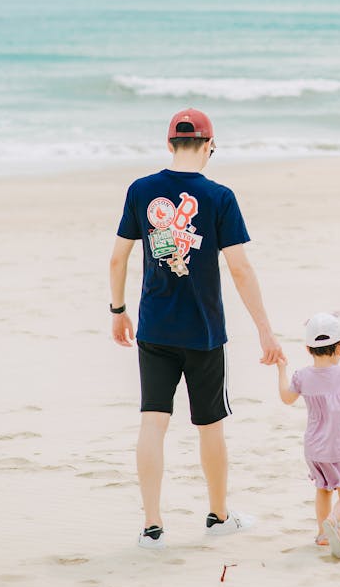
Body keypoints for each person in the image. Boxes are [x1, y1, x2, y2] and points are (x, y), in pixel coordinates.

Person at [109, 107, 283, 549]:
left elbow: (118, 257)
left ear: (169, 144)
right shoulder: (221, 197)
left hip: (154, 330)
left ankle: (152, 528)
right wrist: (265, 329)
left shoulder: (142, 190)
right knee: (210, 426)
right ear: (210, 147)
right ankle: (218, 516)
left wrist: (118, 310)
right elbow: (240, 269)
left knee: (153, 421)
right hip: (205, 333)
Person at [276, 312, 340, 559]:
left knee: (323, 488)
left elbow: (286, 398)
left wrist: (281, 369)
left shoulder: (302, 375)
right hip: (339, 448)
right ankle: (332, 522)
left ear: (308, 348)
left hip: (313, 448)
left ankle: (323, 535)